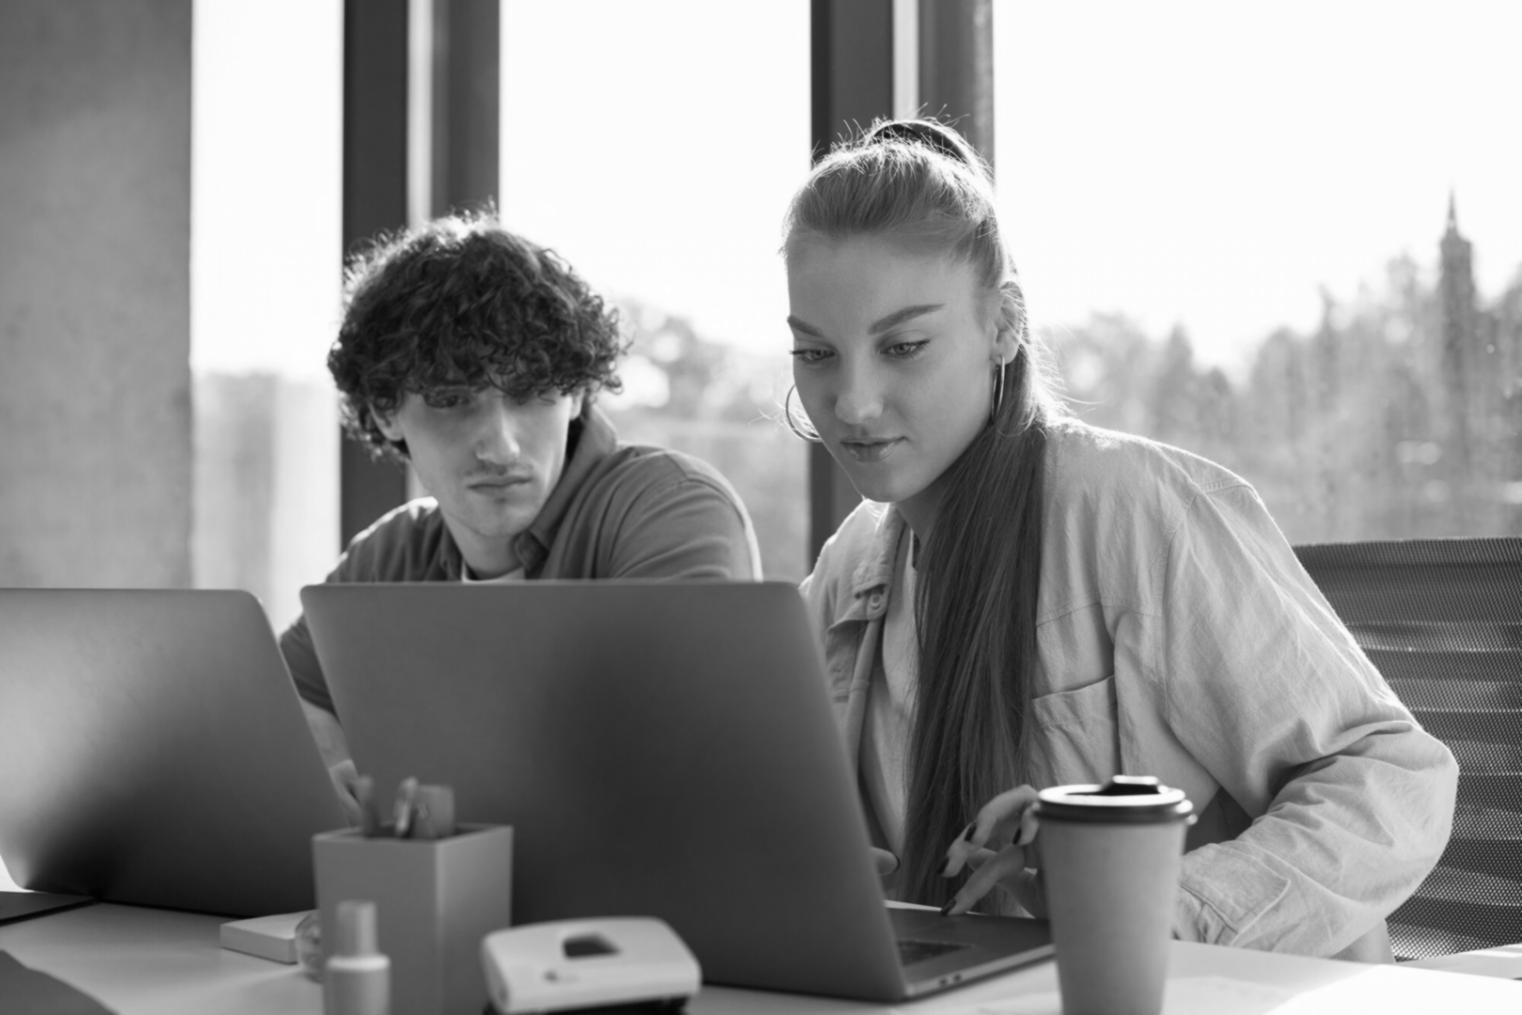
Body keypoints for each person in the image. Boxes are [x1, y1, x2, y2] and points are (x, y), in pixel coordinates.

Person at [782, 118, 1457, 961]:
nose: (852, 401)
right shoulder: (852, 568)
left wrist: (1158, 914)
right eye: (815, 351)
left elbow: (1394, 778)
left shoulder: (1132, 511)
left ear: (1002, 325)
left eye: (904, 345)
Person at [283, 211, 762, 807]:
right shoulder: (389, 554)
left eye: (532, 394)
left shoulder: (667, 507)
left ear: (578, 391)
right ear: (385, 409)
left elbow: (669, 758)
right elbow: (278, 726)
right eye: (453, 401)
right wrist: (323, 783)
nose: (502, 446)